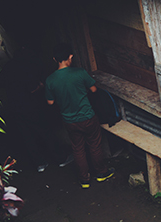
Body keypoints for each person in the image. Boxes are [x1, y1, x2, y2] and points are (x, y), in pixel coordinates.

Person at [44, 44, 113, 188]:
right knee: (95, 145)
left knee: (78, 149)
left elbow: (50, 102)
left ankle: (84, 179)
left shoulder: (50, 80)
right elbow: (94, 89)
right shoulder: (80, 73)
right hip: (87, 117)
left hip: (69, 121)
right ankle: (101, 173)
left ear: (54, 59)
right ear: (70, 57)